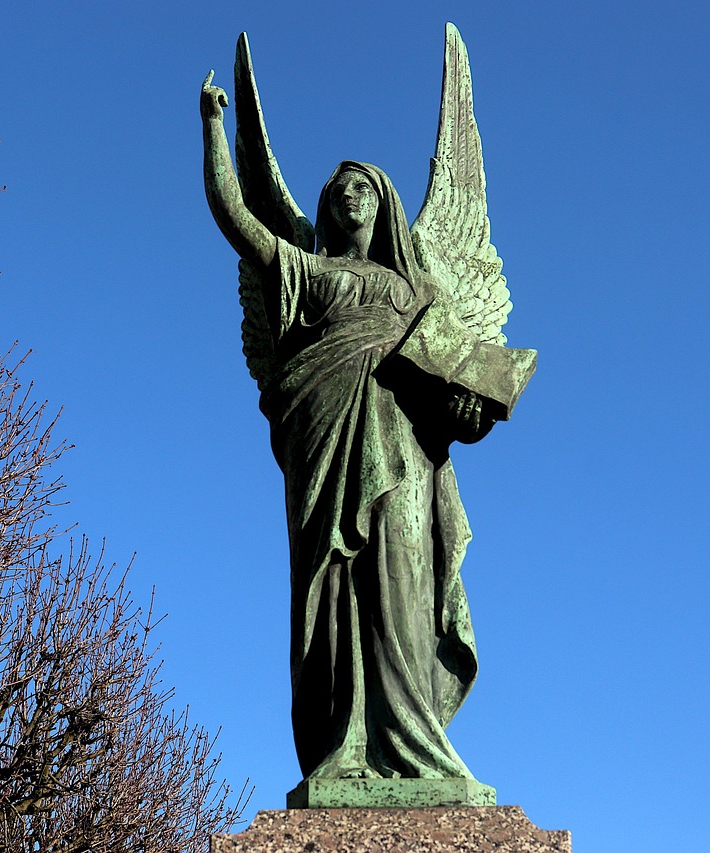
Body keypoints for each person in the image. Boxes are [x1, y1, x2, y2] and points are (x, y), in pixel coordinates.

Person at [201, 74, 488, 783]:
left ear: (383, 202)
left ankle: (415, 752)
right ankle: (344, 746)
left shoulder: (417, 291)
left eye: (360, 186)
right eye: (337, 189)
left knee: (401, 598)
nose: (347, 194)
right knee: (331, 603)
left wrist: (468, 411)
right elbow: (236, 214)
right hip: (325, 456)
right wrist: (213, 126)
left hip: (402, 457)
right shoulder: (307, 273)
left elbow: (464, 388)